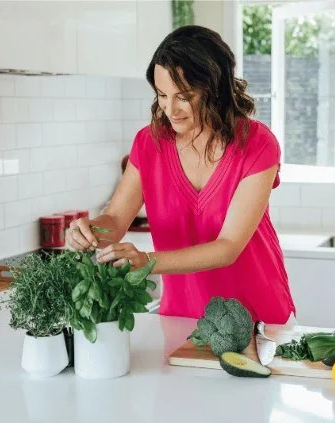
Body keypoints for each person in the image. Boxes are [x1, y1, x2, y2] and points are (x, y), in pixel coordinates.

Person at [66, 25, 296, 324]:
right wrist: (90, 231)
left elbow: (228, 247)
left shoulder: (256, 144)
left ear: (214, 88)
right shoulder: (149, 144)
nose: (170, 109)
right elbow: (115, 221)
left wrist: (145, 261)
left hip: (259, 316)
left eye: (184, 96)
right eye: (162, 95)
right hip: (182, 318)